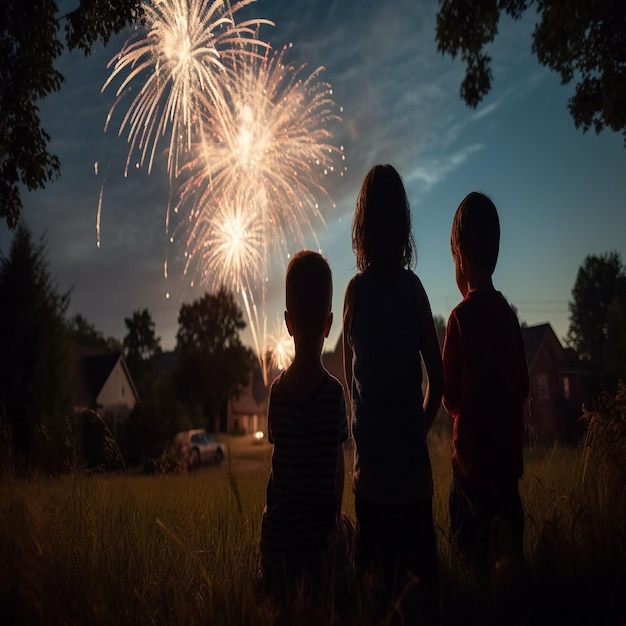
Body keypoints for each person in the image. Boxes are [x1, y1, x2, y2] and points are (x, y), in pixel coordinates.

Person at [342, 164, 443, 616]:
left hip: (373, 486)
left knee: (375, 601)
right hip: (414, 484)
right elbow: (437, 380)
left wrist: (366, 429)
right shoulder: (414, 289)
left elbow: (350, 378)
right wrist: (416, 428)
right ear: (404, 224)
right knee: (424, 602)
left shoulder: (355, 294)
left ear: (361, 226)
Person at [442, 191, 530, 572]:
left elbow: (450, 398)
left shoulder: (459, 319)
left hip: (470, 476)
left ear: (460, 256)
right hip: (507, 476)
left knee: (472, 566)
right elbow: (524, 386)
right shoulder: (508, 317)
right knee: (510, 562)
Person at [261, 250, 349, 591]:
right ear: (328, 325)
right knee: (349, 529)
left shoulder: (277, 393)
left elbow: (279, 467)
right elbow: (336, 473)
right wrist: (335, 525)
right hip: (318, 548)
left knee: (268, 518)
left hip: (278, 545)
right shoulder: (333, 394)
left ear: (287, 323)